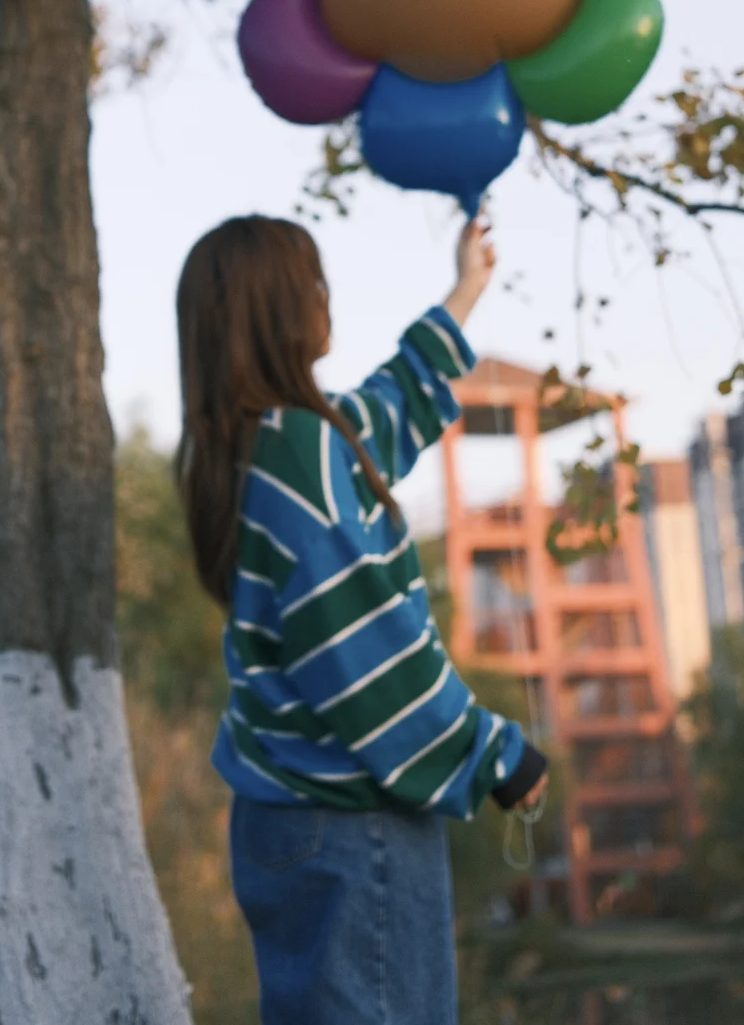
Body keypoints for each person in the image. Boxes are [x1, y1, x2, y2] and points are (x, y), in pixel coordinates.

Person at [175, 213, 548, 1025]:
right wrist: (498, 755)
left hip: (285, 821)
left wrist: (465, 288)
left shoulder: (252, 448)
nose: (325, 293)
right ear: (275, 309)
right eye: (309, 279)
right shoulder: (298, 452)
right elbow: (370, 655)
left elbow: (386, 408)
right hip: (352, 828)